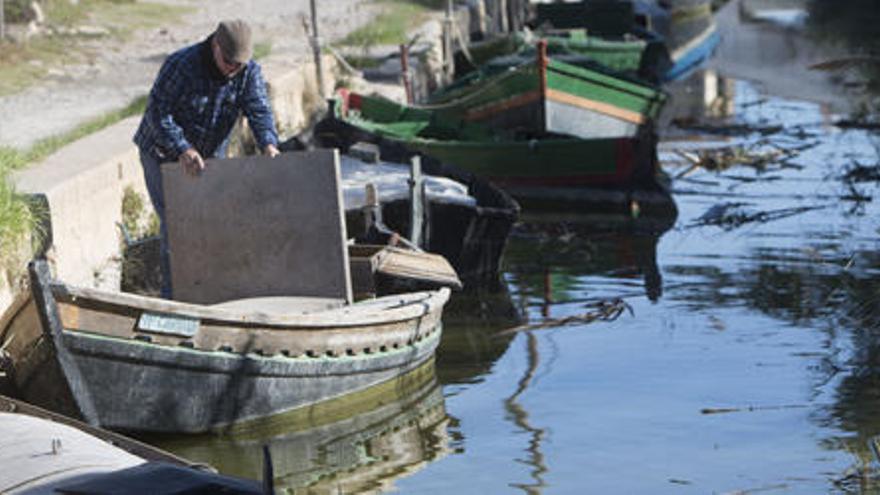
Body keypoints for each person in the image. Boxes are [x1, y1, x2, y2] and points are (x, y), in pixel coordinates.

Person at [133, 19, 280, 298]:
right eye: (228, 62)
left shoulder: (247, 71)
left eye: (239, 65)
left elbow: (259, 109)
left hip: (211, 155)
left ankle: (212, 291)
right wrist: (182, 149)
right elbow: (157, 114)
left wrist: (269, 143)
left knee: (214, 222)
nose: (232, 69)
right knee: (177, 226)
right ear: (215, 45)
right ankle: (173, 297)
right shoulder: (181, 64)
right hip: (162, 154)